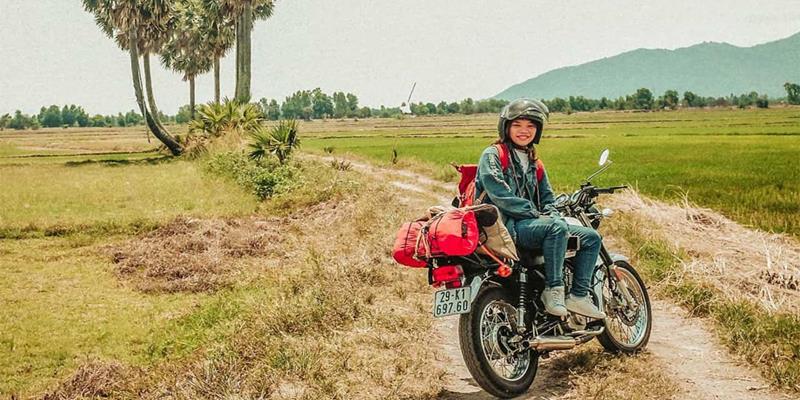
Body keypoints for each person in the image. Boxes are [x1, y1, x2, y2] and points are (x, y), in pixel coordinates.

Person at [474, 99, 606, 319]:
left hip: (532, 224)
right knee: (556, 228)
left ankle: (578, 296)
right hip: (507, 226)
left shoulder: (535, 162)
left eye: (530, 126)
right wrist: (538, 214)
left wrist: (553, 214)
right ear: (506, 127)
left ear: (538, 130)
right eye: (517, 125)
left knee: (591, 237)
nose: (524, 131)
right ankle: (553, 291)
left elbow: (547, 197)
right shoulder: (493, 155)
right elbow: (500, 194)